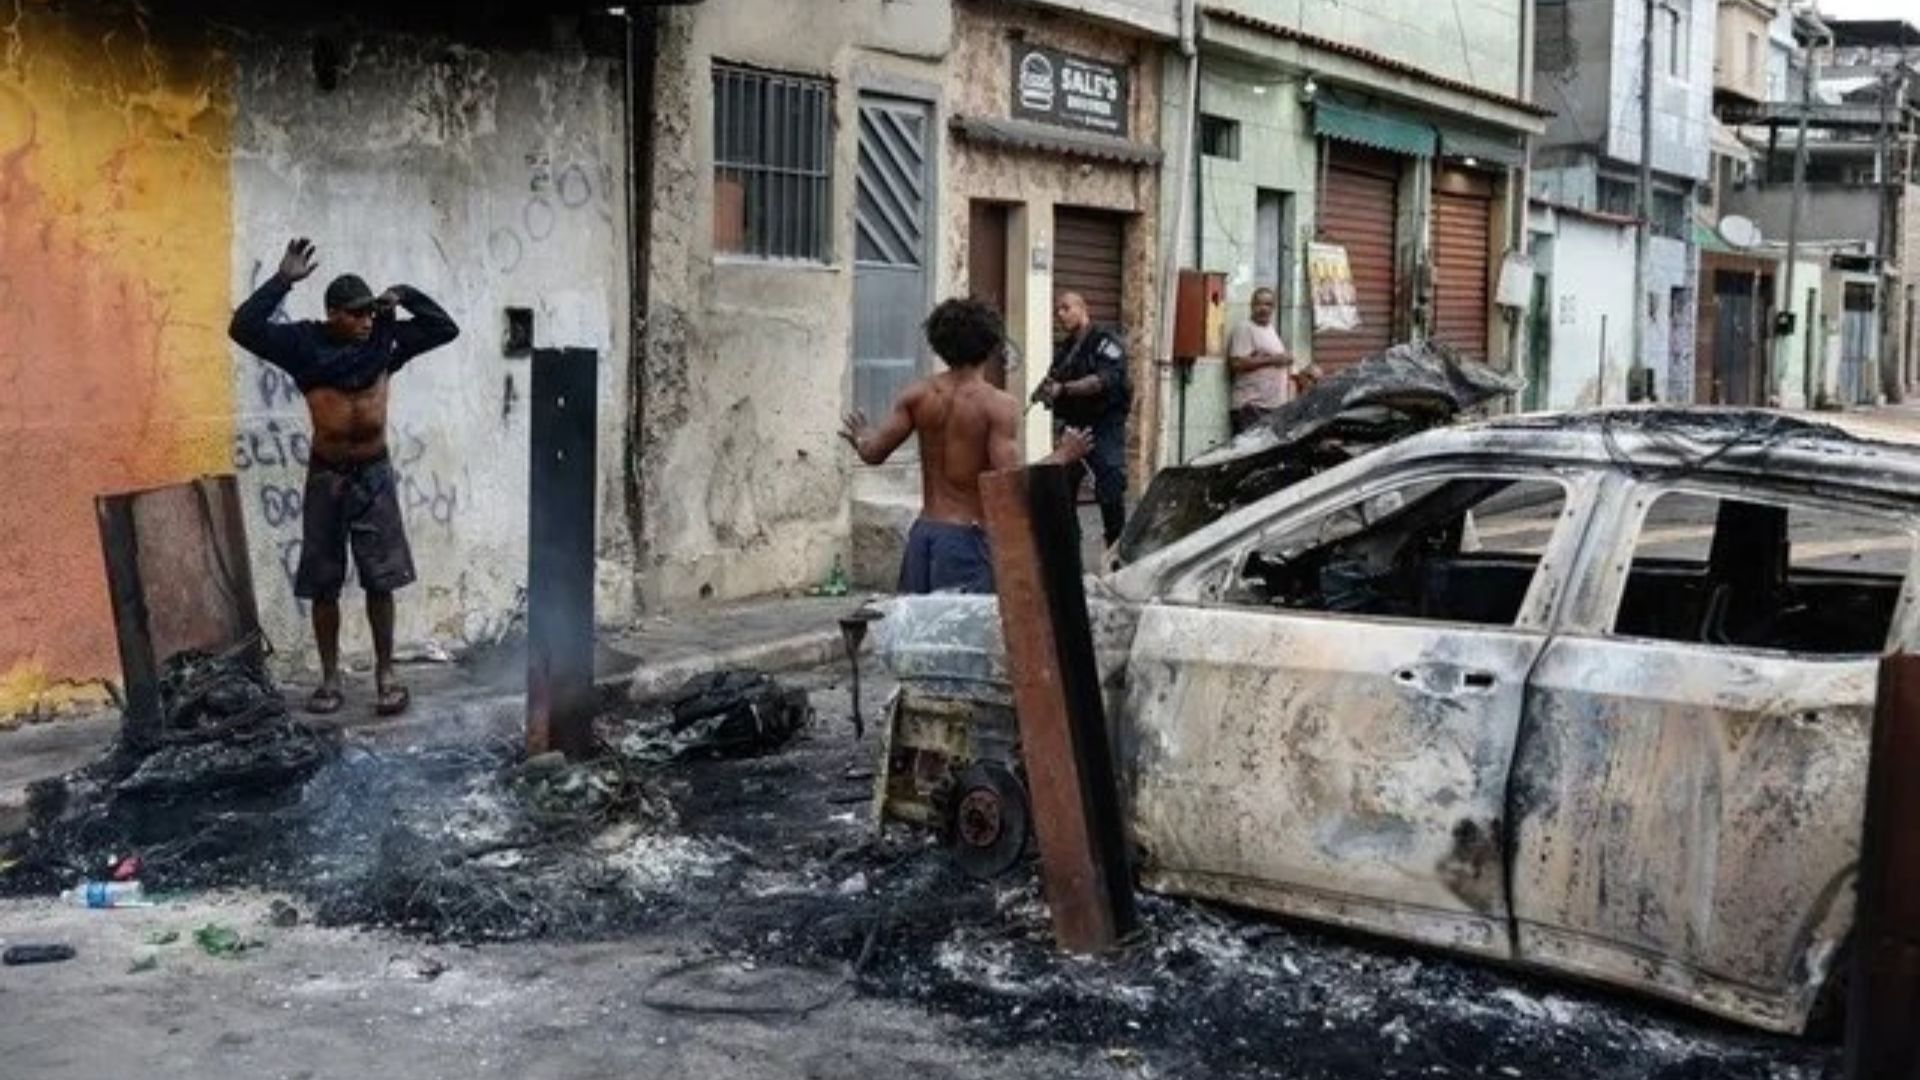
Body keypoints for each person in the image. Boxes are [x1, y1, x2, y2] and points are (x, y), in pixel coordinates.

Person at [228, 238, 460, 716]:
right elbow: (243, 327)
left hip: (373, 475)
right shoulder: (303, 345)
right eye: (356, 314)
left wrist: (406, 295)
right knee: (324, 581)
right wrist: (282, 280)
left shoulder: (384, 341)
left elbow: (444, 329)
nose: (366, 321)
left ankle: (386, 674)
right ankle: (330, 679)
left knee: (381, 579)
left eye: (370, 313)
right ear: (333, 313)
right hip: (328, 476)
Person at [840, 298, 1091, 594]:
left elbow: (871, 453)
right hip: (966, 541)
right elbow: (1012, 482)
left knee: (918, 635)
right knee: (960, 636)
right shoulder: (997, 406)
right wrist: (1063, 455)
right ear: (991, 345)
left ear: (939, 345)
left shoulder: (917, 395)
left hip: (924, 535)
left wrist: (862, 435)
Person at [1034, 292, 1131, 546]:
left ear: (1083, 308)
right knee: (1062, 494)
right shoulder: (1065, 350)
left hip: (1103, 425)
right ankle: (1070, 554)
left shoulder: (1105, 341)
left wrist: (1064, 389)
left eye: (1066, 308)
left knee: (1110, 489)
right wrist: (1045, 392)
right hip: (1073, 428)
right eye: (1057, 310)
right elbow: (1053, 383)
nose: (1060, 314)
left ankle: (1115, 550)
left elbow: (1101, 381)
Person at [1228, 286, 1295, 434]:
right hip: (1251, 408)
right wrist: (1274, 359)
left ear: (1274, 308)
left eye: (1268, 304)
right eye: (1259, 304)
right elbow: (1236, 363)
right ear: (1251, 306)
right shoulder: (1244, 328)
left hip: (1271, 408)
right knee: (1250, 453)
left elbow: (1276, 361)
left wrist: (1285, 360)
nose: (1264, 309)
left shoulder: (1271, 330)